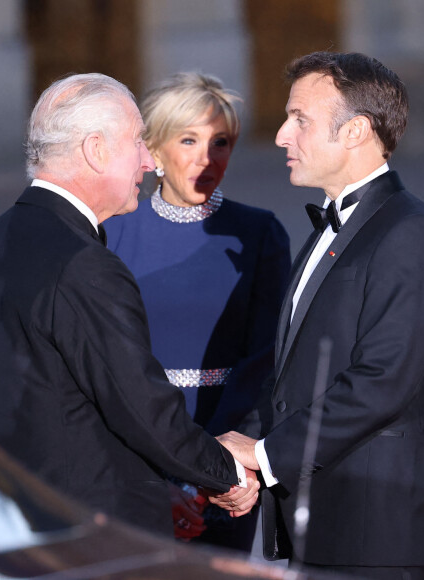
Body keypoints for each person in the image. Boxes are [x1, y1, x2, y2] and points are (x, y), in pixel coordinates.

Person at [0, 73, 259, 539]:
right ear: (96, 150)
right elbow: (140, 404)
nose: (149, 160)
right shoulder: (84, 264)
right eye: (137, 143)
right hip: (92, 535)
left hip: (9, 532)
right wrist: (224, 473)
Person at [215, 52, 424, 579]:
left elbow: (382, 381)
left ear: (356, 131)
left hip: (378, 530)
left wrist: (265, 453)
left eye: (300, 119)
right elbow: (294, 375)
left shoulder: (412, 232)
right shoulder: (329, 229)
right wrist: (243, 453)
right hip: (321, 522)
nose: (281, 135)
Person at [104, 72, 291, 551]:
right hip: (134, 445)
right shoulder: (112, 234)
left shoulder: (259, 233)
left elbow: (267, 354)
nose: (208, 158)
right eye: (189, 140)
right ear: (155, 149)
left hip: (230, 446)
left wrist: (224, 459)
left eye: (221, 142)